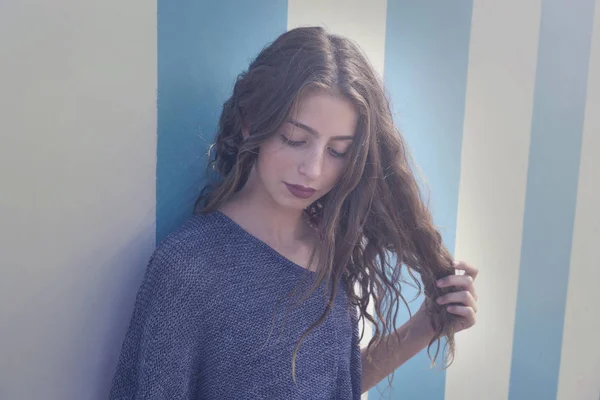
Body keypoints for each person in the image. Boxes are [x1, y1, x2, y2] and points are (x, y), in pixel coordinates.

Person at [109, 26, 479, 399]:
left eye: (337, 151)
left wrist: (424, 326)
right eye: (295, 139)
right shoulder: (190, 269)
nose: (313, 170)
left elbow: (329, 387)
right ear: (251, 121)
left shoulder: (326, 250)